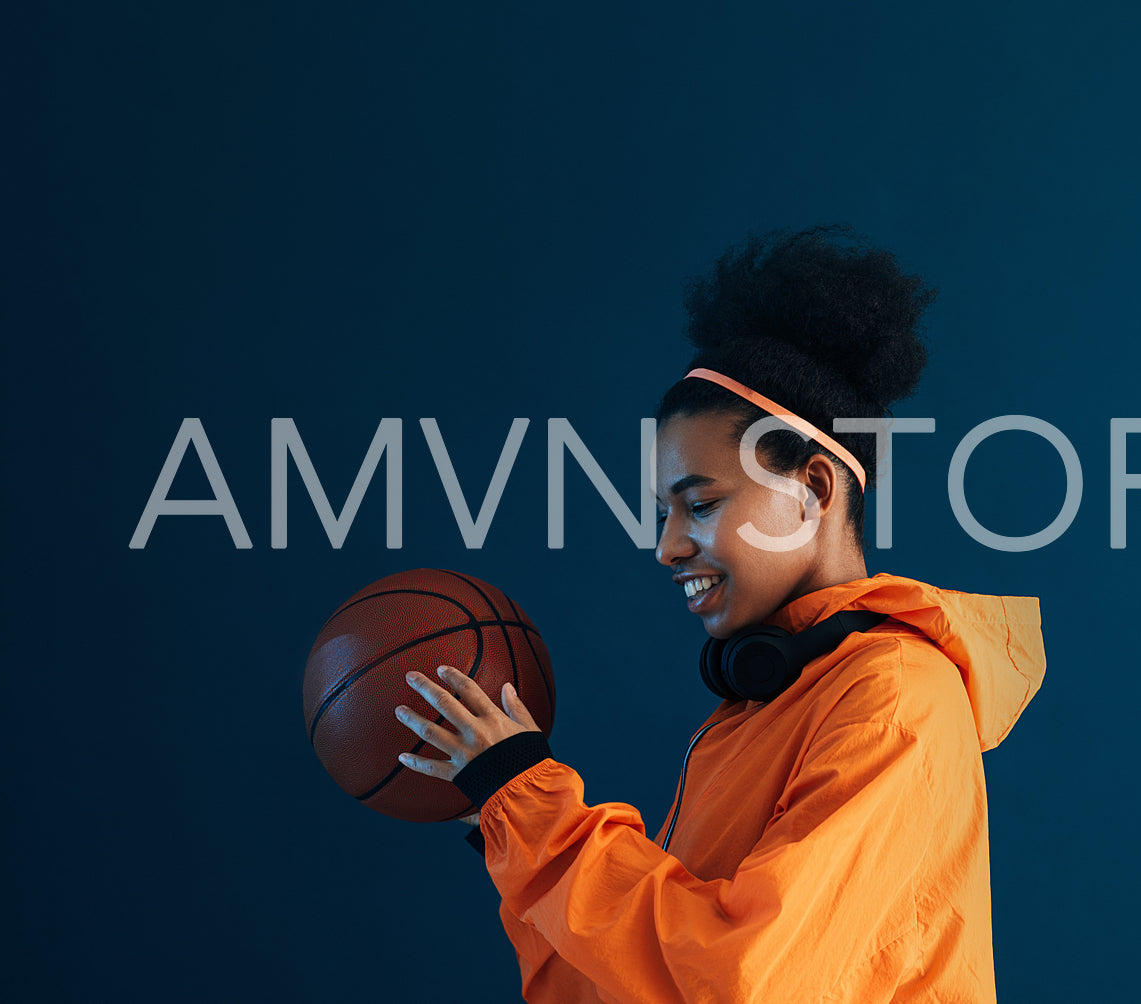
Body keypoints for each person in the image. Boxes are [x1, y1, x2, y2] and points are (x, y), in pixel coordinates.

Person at [394, 223, 1048, 1003]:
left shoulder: (893, 700)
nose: (668, 547)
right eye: (659, 515)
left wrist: (535, 814)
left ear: (812, 488)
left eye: (699, 504)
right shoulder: (758, 709)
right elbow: (618, 985)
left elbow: (740, 979)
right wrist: (503, 828)